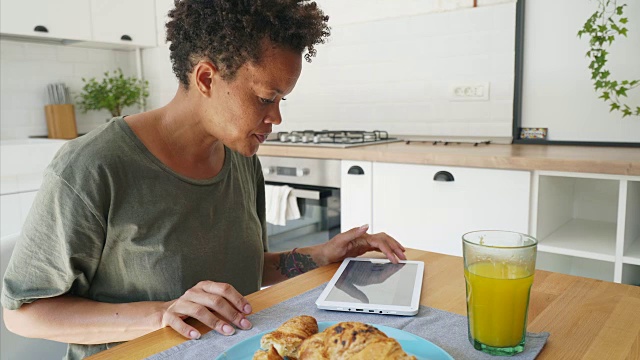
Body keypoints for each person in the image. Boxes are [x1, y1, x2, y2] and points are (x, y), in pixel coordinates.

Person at [1, 1, 407, 359]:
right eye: (267, 98)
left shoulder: (240, 155)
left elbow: (241, 270)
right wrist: (162, 313)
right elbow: (25, 315)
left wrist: (321, 255)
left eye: (282, 100)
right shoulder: (91, 167)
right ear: (207, 79)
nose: (277, 119)